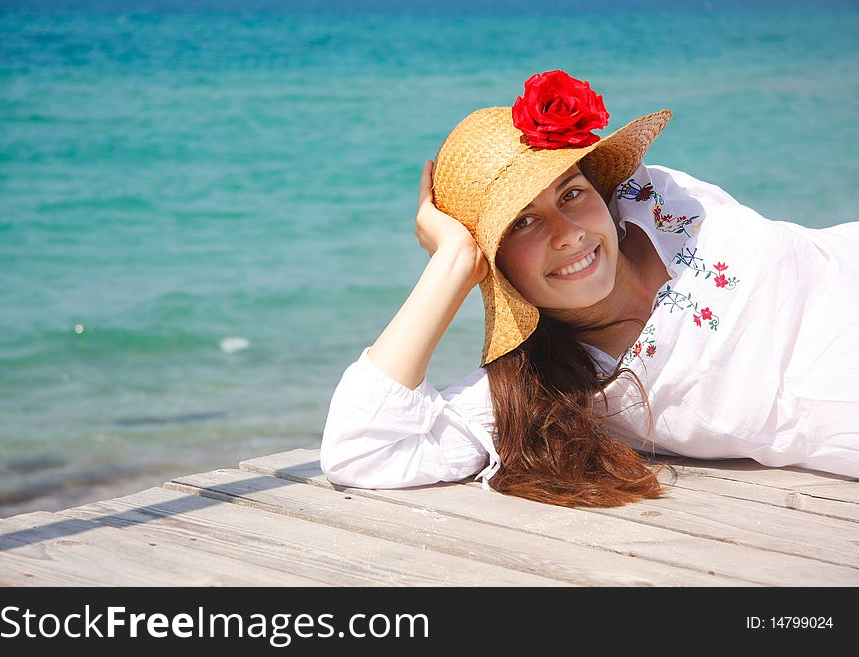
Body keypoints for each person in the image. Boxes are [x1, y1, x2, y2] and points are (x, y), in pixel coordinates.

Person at [320, 69, 859, 508]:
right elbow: (361, 449)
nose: (569, 233)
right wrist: (452, 262)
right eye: (523, 224)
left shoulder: (656, 197)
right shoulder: (556, 388)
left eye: (571, 193)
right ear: (494, 262)